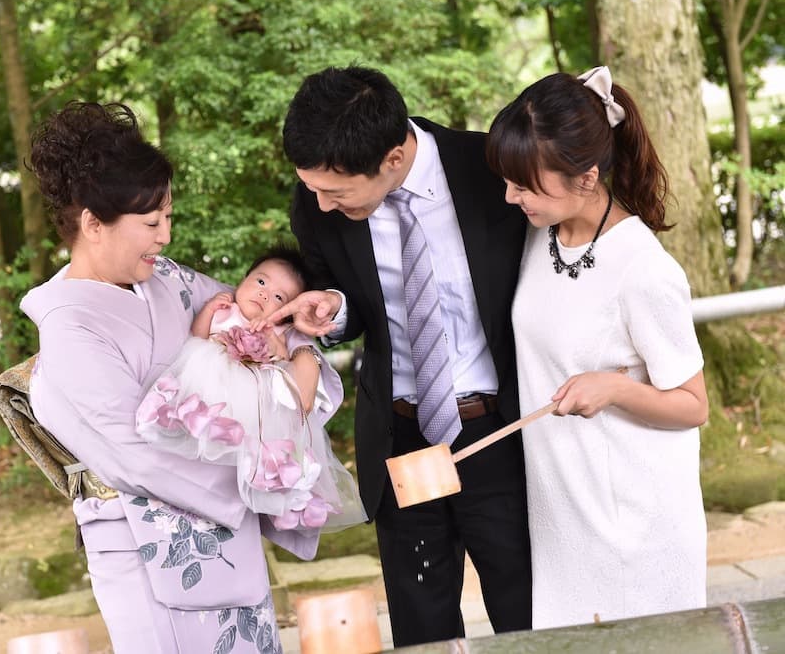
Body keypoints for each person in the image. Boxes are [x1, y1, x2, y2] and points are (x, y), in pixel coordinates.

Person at [19, 101, 312, 654]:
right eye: (152, 223)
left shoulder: (167, 280)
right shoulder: (70, 326)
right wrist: (259, 475)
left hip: (227, 537)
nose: (166, 237)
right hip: (141, 545)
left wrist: (299, 351)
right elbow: (136, 454)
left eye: (169, 218)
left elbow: (259, 315)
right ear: (92, 224)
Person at [267, 65, 532, 646]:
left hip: (501, 434)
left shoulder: (492, 170)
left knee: (527, 616)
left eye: (335, 192)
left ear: (392, 157)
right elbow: (347, 299)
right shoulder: (314, 204)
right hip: (402, 443)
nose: (322, 204)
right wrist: (331, 309)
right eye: (312, 188)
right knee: (422, 627)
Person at [485, 66, 709, 628]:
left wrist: (613, 387)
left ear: (585, 179)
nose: (509, 196)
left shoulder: (643, 270)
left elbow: (693, 404)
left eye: (523, 184)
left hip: (635, 527)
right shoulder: (543, 235)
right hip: (564, 517)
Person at [136, 246, 364, 534]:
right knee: (200, 407)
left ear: (285, 314)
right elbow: (198, 336)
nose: (265, 294)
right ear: (243, 279)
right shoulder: (224, 310)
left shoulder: (279, 330)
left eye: (279, 298)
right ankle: (200, 423)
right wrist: (208, 311)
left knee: (257, 428)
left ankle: (263, 471)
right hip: (212, 375)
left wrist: (272, 339)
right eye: (260, 282)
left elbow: (282, 360)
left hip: (252, 395)